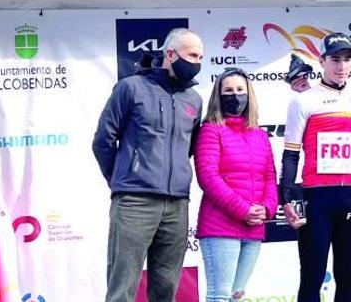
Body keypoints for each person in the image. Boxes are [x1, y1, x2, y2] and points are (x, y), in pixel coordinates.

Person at [93, 28, 204, 302]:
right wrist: (124, 180)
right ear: (170, 54)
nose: (197, 62)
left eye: (201, 57)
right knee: (123, 287)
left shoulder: (195, 100)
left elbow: (188, 149)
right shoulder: (130, 88)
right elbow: (103, 141)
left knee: (166, 289)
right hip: (134, 202)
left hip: (177, 205)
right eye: (191, 55)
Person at [279, 33, 351, 302]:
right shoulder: (304, 100)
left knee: (348, 277)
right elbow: (290, 155)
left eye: (346, 60)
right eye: (335, 60)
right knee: (312, 275)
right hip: (317, 197)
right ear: (322, 61)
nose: (341, 66)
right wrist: (287, 198)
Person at [194, 68, 278, 302]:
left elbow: (269, 177)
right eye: (228, 91)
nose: (235, 95)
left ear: (249, 95)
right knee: (220, 296)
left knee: (237, 296)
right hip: (220, 227)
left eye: (240, 90)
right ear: (218, 97)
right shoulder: (211, 130)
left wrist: (267, 208)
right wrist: (244, 210)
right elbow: (207, 176)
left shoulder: (260, 135)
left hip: (253, 229)